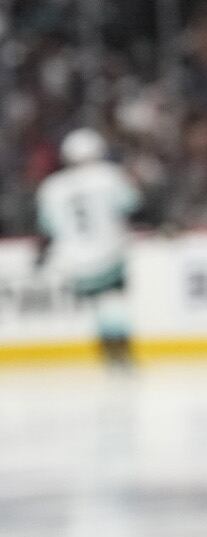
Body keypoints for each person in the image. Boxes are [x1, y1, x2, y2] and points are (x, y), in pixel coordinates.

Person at [34, 128, 141, 369]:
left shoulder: (52, 187)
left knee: (98, 306)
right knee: (114, 301)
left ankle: (109, 351)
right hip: (110, 254)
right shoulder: (109, 176)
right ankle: (121, 350)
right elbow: (132, 206)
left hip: (75, 262)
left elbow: (47, 229)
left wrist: (40, 256)